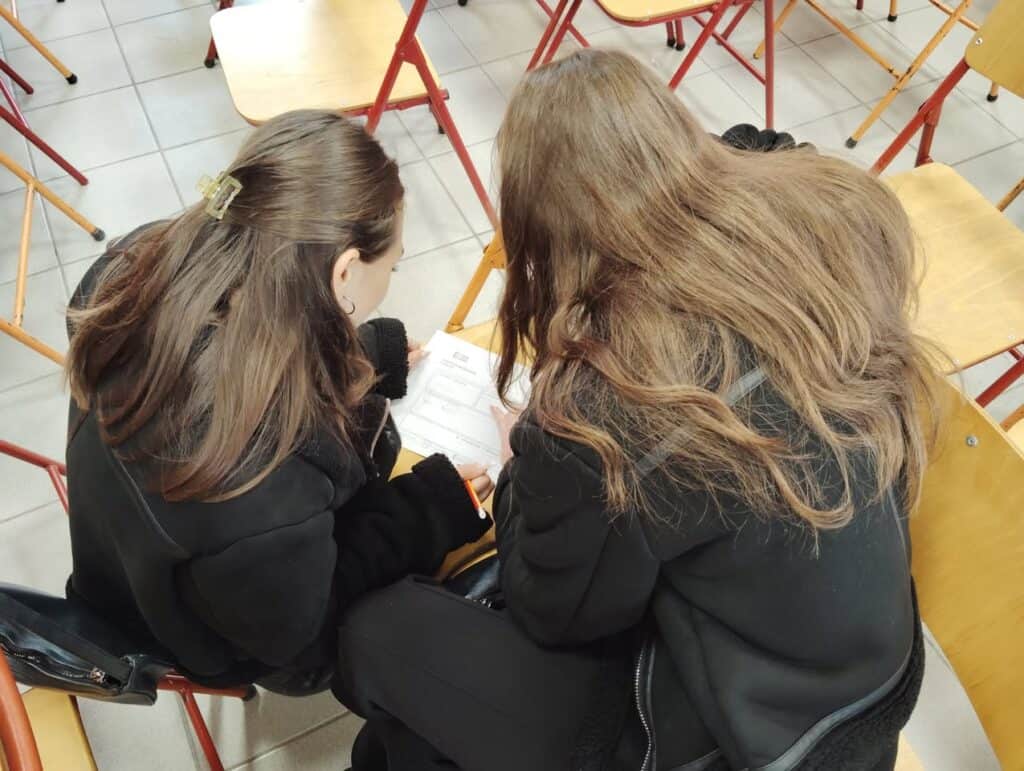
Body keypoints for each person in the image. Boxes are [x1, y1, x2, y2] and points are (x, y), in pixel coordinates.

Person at [334, 49, 941, 770]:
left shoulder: (609, 409)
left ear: (544, 236)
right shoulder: (832, 219)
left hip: (752, 737)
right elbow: (766, 145)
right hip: (857, 679)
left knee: (378, 638)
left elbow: (552, 608)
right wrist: (664, 170)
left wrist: (522, 461)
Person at [63, 110, 492, 694]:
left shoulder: (137, 261)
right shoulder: (260, 476)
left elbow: (235, 345)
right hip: (200, 631)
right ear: (344, 273)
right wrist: (425, 513)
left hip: (123, 559)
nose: (392, 275)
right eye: (393, 263)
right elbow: (304, 640)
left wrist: (361, 358)